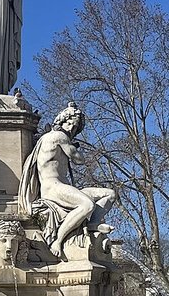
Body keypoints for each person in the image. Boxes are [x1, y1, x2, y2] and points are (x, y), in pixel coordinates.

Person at [18, 103, 115, 258]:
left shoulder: (54, 138)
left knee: (109, 194)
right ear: (61, 122)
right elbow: (78, 159)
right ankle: (58, 240)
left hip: (63, 186)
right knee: (87, 204)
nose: (71, 128)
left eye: (75, 127)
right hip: (52, 188)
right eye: (69, 123)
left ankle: (92, 224)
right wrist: (73, 145)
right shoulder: (58, 136)